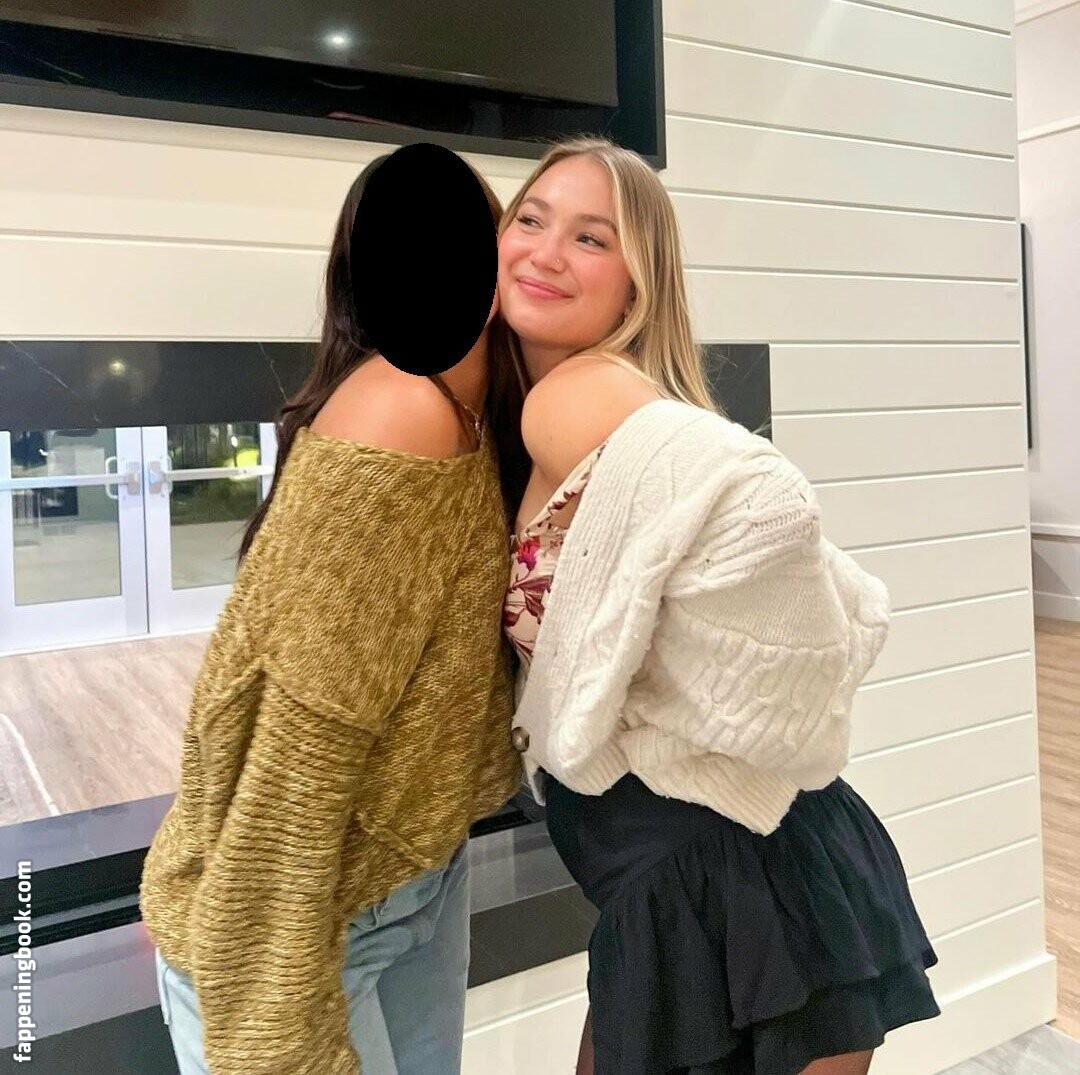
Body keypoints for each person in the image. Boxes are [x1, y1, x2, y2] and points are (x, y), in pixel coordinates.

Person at [498, 136, 941, 1075]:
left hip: (737, 873)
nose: (545, 252)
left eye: (591, 238)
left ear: (638, 283)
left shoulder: (572, 395)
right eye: (530, 219)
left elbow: (767, 501)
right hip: (702, 873)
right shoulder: (547, 405)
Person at [139, 146, 526, 1075]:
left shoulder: (478, 413)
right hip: (290, 918)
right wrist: (277, 1020)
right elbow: (298, 736)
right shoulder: (402, 413)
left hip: (408, 872)